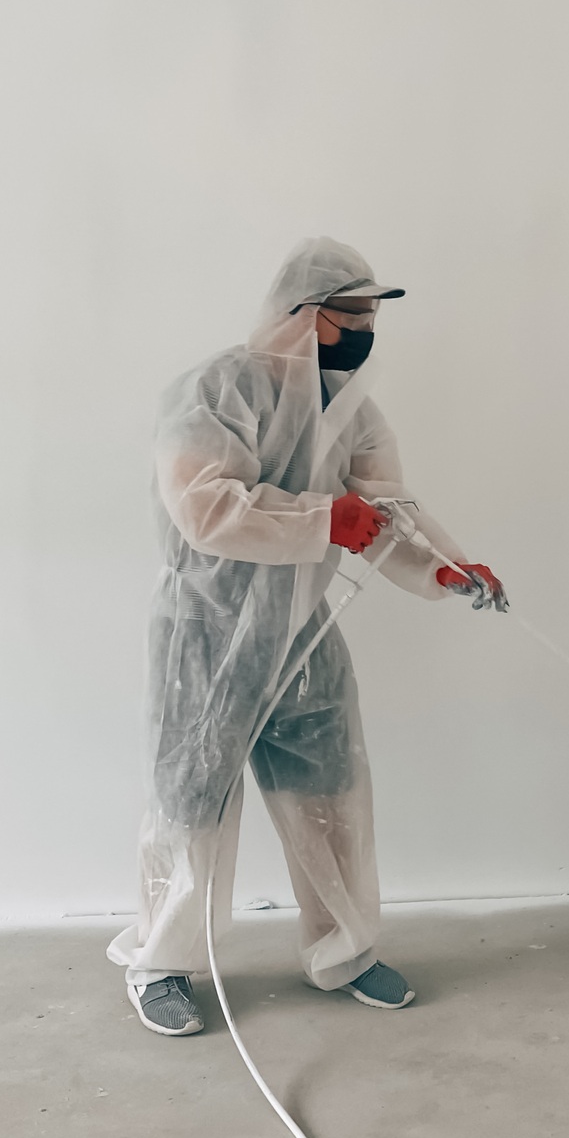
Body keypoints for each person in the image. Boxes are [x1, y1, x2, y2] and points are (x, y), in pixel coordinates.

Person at [107, 236, 505, 1035]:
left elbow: (387, 507)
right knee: (192, 801)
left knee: (327, 792)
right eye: (350, 314)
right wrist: (327, 518)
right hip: (208, 629)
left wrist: (449, 567)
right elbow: (205, 507)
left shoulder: (351, 405)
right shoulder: (216, 390)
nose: (364, 330)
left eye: (369, 314)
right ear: (305, 315)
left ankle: (345, 951)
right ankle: (161, 962)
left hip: (301, 624)